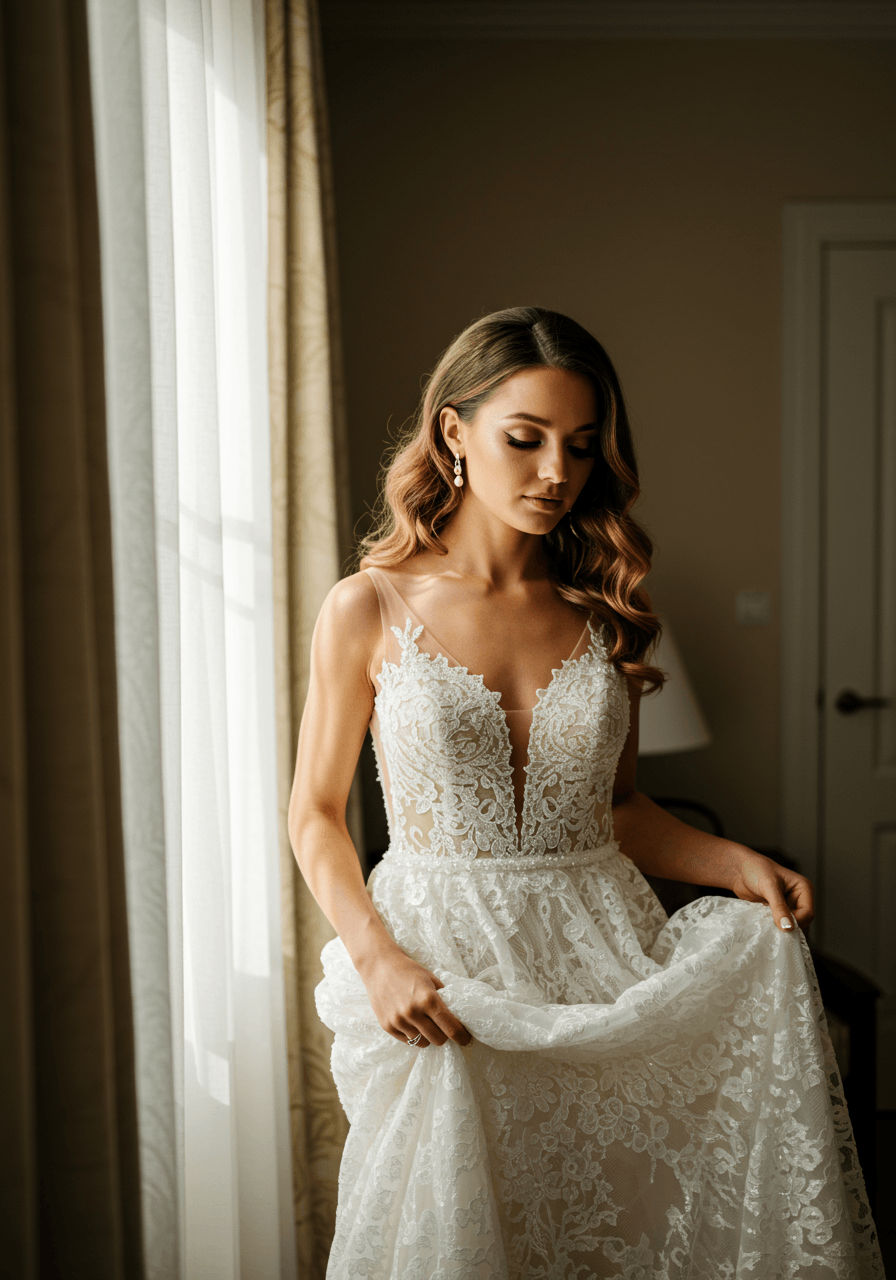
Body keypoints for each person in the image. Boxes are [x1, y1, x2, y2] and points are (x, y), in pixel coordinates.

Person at [288, 307, 882, 1279]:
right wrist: (377, 958)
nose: (555, 471)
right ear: (454, 433)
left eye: (578, 444)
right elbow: (313, 813)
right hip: (443, 970)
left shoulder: (606, 611)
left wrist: (736, 864)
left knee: (603, 1232)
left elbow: (615, 810)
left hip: (597, 951)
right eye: (524, 439)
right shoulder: (369, 605)